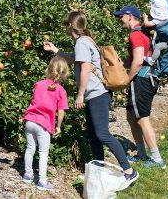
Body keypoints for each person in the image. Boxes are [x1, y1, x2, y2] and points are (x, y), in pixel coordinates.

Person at [43, 11, 138, 185]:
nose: (65, 27)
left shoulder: (81, 42)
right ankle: (98, 171)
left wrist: (80, 94)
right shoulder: (86, 41)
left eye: (66, 24)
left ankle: (129, 170)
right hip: (95, 94)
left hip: (97, 93)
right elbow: (73, 59)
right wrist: (55, 49)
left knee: (102, 134)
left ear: (71, 25)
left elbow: (85, 68)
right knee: (93, 135)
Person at [113, 5, 166, 169]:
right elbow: (137, 59)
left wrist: (125, 81)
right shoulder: (142, 33)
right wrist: (119, 62)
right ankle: (142, 153)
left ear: (129, 16)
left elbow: (137, 63)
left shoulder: (136, 35)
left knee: (142, 118)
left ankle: (157, 159)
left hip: (141, 79)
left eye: (121, 16)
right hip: (146, 77)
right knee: (130, 115)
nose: (119, 19)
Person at [22, 56, 70, 191]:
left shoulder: (38, 84)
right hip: (43, 124)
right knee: (43, 152)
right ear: (64, 73)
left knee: (30, 148)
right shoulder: (61, 90)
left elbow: (35, 101)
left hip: (30, 120)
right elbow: (61, 111)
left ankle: (27, 175)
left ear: (49, 69)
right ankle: (42, 182)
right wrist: (58, 126)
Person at [142, 0, 168, 66]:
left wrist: (145, 18)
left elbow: (147, 24)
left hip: (167, 43)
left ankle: (152, 60)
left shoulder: (158, 19)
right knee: (158, 47)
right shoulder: (166, 18)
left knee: (158, 47)